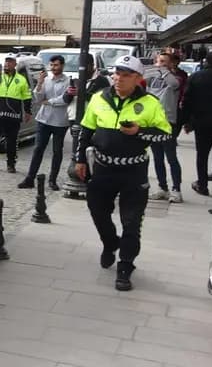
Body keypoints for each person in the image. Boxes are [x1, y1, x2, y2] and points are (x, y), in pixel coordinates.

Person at [75, 55, 171, 292]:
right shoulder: (99, 98)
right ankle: (110, 243)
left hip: (134, 171)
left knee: (131, 222)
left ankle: (125, 267)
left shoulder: (150, 102)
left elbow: (165, 134)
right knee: (97, 210)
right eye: (117, 73)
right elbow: (85, 129)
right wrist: (79, 159)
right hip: (103, 168)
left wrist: (139, 132)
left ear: (138, 79)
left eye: (126, 75)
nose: (119, 78)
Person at [19, 55, 71, 191]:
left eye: (56, 65)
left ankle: (52, 180)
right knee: (38, 149)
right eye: (52, 65)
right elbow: (38, 97)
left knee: (57, 151)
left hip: (60, 121)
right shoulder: (46, 80)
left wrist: (49, 102)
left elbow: (65, 99)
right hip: (44, 119)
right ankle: (30, 178)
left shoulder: (68, 81)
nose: (54, 68)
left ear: (62, 66)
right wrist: (40, 83)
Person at [183, 51, 212, 197]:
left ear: (206, 62)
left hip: (201, 122)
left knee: (202, 155)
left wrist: (187, 121)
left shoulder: (196, 77)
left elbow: (187, 100)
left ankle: (202, 185)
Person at [0, 55, 32, 173]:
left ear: (15, 65)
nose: (7, 65)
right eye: (6, 62)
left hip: (13, 115)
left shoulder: (21, 79)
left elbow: (27, 96)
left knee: (12, 141)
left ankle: (11, 164)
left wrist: (28, 111)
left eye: (10, 62)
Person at [145, 52, 183, 202]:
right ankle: (163, 187)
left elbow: (174, 85)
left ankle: (176, 189)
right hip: (153, 122)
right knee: (157, 157)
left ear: (171, 64)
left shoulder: (175, 78)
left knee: (171, 157)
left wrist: (164, 71)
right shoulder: (152, 79)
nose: (160, 64)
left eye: (164, 61)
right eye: (158, 61)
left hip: (167, 122)